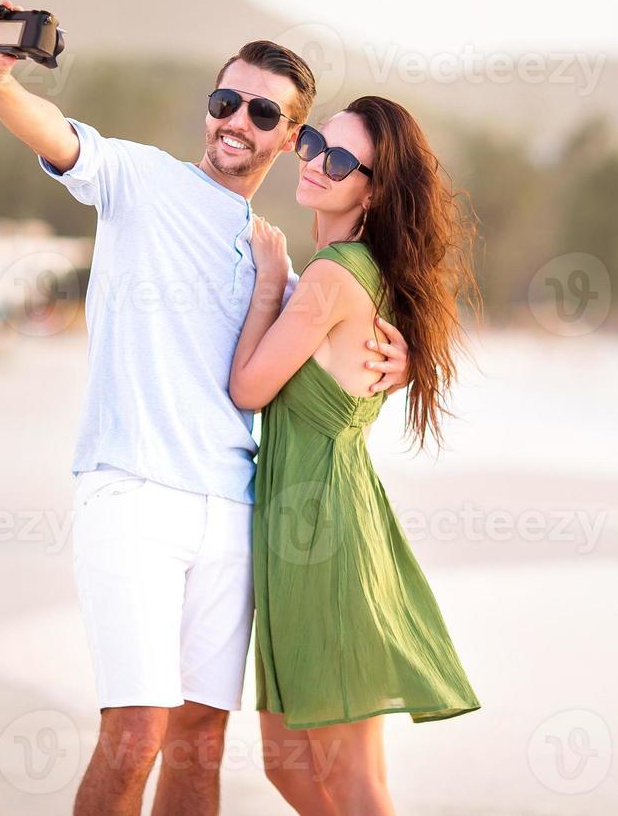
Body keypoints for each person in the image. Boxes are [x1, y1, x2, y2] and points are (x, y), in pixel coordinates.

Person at [0, 2, 412, 815]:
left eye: (263, 112)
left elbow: (328, 358)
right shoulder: (139, 180)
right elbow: (57, 134)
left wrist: (404, 363)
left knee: (201, 746)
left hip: (232, 510)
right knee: (135, 733)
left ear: (292, 138)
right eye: (225, 101)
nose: (237, 121)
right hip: (132, 492)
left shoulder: (273, 251)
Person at [229, 96, 481, 814]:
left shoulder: (336, 274)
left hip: (325, 531)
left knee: (354, 781)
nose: (314, 161)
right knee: (286, 763)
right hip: (299, 527)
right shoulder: (359, 272)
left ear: (372, 188)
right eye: (313, 143)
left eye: (339, 160)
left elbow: (249, 387)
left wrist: (272, 285)